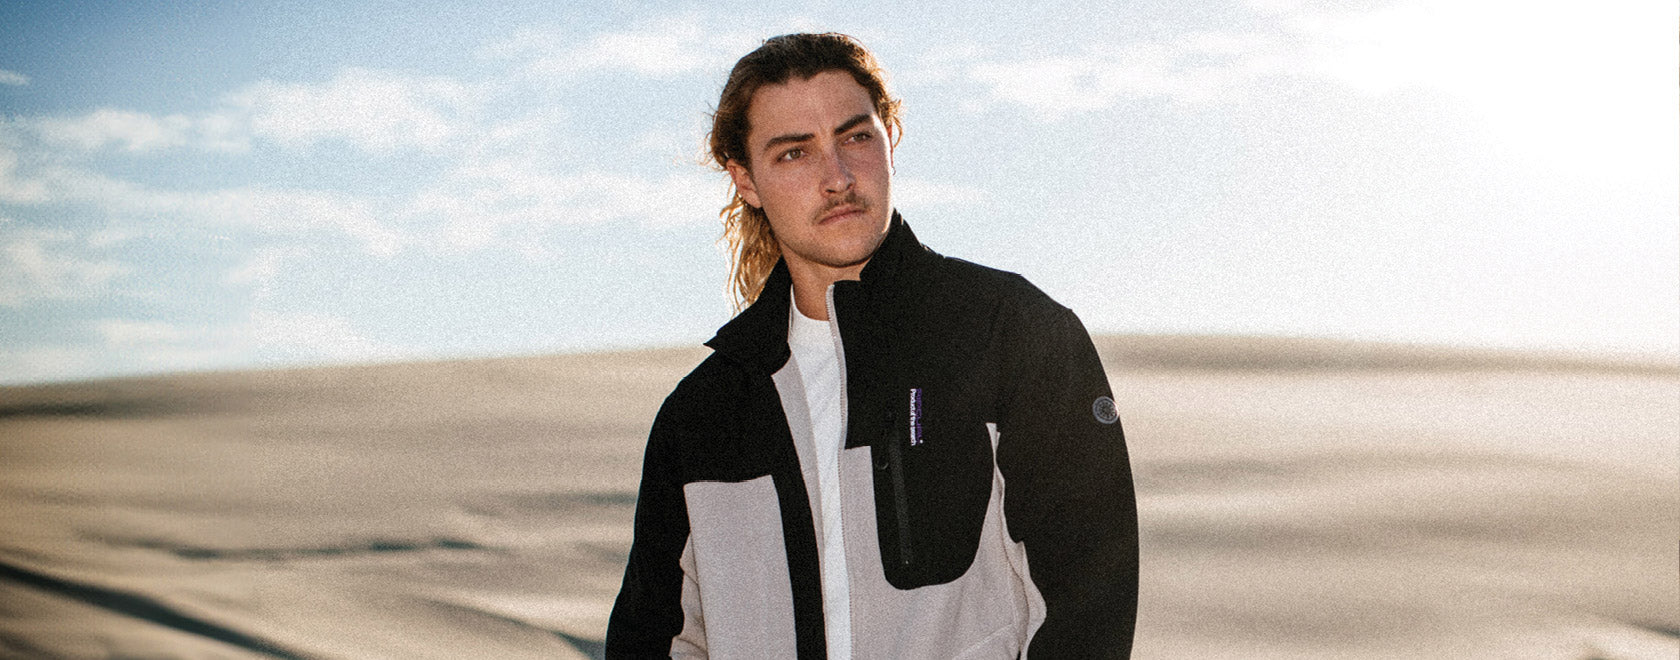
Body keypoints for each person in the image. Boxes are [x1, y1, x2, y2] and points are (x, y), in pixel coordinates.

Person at [606, 32, 1137, 659]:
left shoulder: (1010, 333)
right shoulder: (702, 417)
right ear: (745, 179)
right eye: (794, 154)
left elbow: (1088, 605)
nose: (837, 177)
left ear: (892, 137)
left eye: (856, 136)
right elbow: (658, 641)